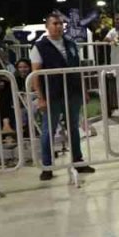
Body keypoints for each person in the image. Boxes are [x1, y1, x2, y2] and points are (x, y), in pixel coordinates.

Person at [29, 12, 96, 182]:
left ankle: (78, 161)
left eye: (60, 23)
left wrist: (84, 90)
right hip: (52, 95)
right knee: (48, 131)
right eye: (54, 23)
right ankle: (47, 166)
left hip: (72, 93)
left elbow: (77, 69)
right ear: (47, 26)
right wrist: (41, 98)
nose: (58, 26)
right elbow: (35, 75)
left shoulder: (71, 44)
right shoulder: (39, 47)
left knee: (73, 127)